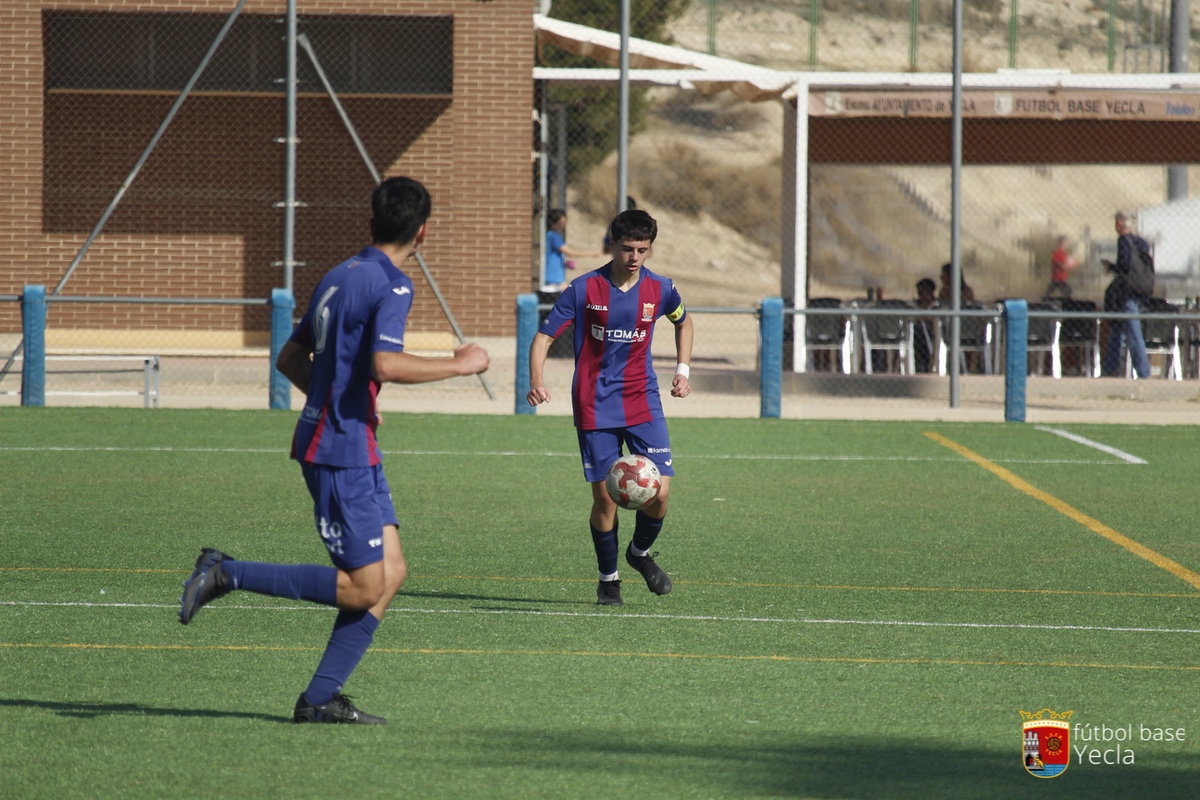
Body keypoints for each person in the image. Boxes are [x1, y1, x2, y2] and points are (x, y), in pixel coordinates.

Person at [178, 176, 490, 725]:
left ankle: (321, 698)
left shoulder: (338, 274)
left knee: (390, 572)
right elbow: (385, 364)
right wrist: (459, 365)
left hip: (346, 438)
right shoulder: (392, 284)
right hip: (339, 449)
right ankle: (227, 573)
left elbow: (289, 359)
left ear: (372, 222)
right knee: (363, 587)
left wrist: (341, 401)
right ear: (423, 232)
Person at [526, 209, 694, 607]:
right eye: (627, 249)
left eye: (642, 250)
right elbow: (543, 338)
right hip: (594, 404)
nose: (634, 257)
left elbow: (684, 323)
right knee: (605, 497)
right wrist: (536, 381)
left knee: (660, 494)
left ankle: (638, 554)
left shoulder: (661, 289)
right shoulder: (584, 289)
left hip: (643, 400)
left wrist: (683, 370)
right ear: (613, 245)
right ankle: (608, 580)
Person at [1101, 211, 1152, 378]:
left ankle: (1143, 372)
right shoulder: (1142, 243)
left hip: (1128, 292)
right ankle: (1109, 369)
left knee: (1133, 332)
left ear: (1119, 224)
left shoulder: (1124, 241)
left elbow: (1124, 267)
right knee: (1116, 328)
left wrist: (1110, 267)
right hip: (1141, 289)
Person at [544, 209, 600, 292]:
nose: (563, 226)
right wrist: (592, 253)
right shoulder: (554, 236)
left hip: (555, 277)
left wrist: (564, 263)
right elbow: (570, 253)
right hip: (554, 278)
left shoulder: (550, 235)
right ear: (552, 223)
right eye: (561, 223)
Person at [913, 277, 938, 373]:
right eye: (919, 293)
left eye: (923, 293)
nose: (921, 296)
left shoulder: (936, 306)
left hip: (933, 335)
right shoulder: (916, 305)